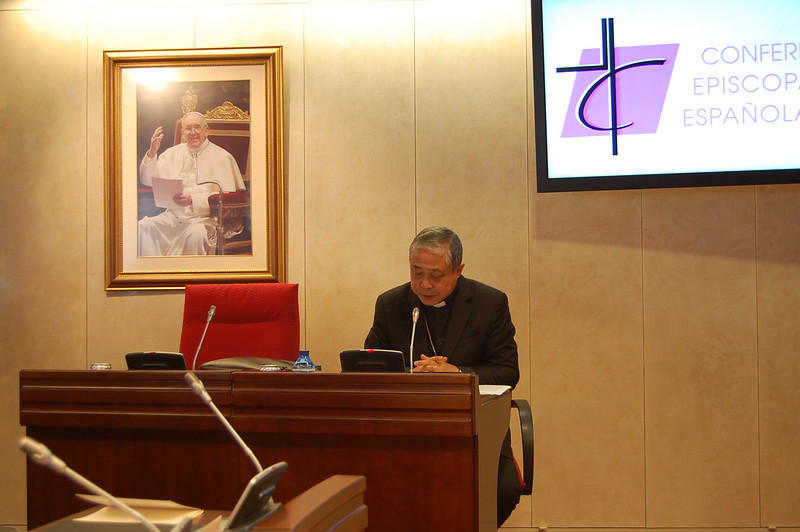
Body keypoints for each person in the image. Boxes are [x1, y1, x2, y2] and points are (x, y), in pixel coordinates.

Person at [365, 226, 521, 526]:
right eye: (417, 273)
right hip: (406, 428)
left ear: (458, 270)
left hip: (475, 427)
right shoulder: (391, 304)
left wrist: (458, 373)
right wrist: (412, 374)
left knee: (503, 490)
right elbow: (371, 368)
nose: (424, 284)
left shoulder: (489, 303)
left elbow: (507, 372)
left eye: (436, 276)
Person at [138, 111, 245, 256]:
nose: (193, 132)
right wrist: (152, 152)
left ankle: (188, 271)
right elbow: (147, 180)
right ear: (182, 132)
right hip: (174, 217)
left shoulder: (223, 157)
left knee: (195, 234)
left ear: (206, 130)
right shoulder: (171, 153)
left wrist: (193, 200)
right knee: (145, 226)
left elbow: (228, 198)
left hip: (205, 219)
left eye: (197, 127)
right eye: (188, 128)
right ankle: (153, 270)